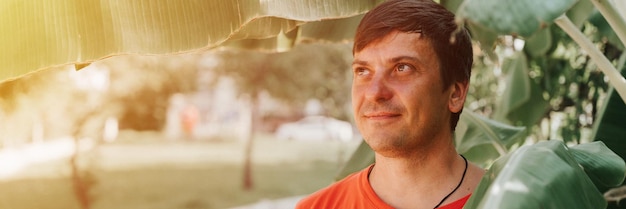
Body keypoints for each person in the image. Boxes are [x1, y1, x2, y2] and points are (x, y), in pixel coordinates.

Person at [296, 0, 485, 208]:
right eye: (363, 71)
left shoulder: (507, 200)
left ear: (455, 94)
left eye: (402, 68)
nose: (374, 92)